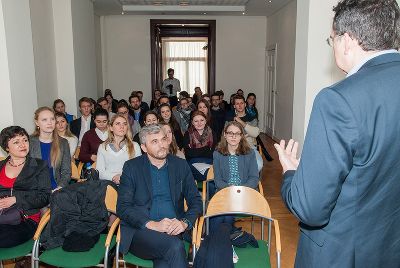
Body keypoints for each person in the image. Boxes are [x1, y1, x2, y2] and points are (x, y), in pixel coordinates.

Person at [274, 1, 400, 267]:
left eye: (331, 39)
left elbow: (310, 209)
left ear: (347, 40)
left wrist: (291, 174)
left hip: (343, 255)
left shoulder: (338, 100)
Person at [116, 124, 202, 267]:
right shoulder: (132, 167)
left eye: (163, 139)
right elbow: (123, 207)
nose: (162, 145)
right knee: (174, 246)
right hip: (141, 231)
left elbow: (196, 201)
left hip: (174, 230)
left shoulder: (180, 165)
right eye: (154, 142)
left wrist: (184, 223)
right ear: (144, 147)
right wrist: (153, 225)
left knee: (165, 261)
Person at [0, 126, 51, 248]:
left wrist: (16, 198)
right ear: (7, 147)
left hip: (27, 218)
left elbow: (45, 197)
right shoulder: (0, 166)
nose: (23, 144)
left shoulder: (39, 165)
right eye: (16, 142)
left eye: (25, 140)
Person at [210, 121, 259, 232]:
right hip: (224, 192)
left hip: (245, 193)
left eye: (237, 133)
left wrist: (239, 190)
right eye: (230, 133)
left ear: (241, 136)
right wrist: (229, 190)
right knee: (220, 214)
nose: (233, 136)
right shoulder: (217, 154)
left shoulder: (250, 153)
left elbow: (254, 178)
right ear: (225, 135)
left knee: (225, 215)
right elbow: (218, 180)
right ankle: (220, 239)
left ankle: (215, 240)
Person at [30, 107, 71, 190]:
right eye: (44, 120)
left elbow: (66, 172)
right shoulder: (29, 142)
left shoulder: (63, 143)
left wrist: (59, 188)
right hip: (35, 190)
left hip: (56, 188)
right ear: (37, 122)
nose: (49, 123)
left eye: (52, 119)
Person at [97, 115, 141, 184]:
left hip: (129, 184)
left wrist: (123, 177)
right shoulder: (102, 147)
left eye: (125, 124)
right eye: (118, 124)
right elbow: (99, 172)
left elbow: (139, 169)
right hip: (108, 185)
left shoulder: (135, 145)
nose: (122, 127)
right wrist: (113, 177)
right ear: (111, 128)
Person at [226, 95, 263, 171]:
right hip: (232, 148)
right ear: (234, 106)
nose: (240, 105)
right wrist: (247, 134)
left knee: (258, 165)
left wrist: (240, 121)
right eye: (237, 104)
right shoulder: (229, 119)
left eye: (241, 103)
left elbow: (255, 133)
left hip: (249, 147)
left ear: (245, 104)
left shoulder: (252, 118)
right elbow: (226, 135)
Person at [183, 111, 217, 182]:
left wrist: (195, 151)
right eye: (196, 121)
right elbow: (188, 154)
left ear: (205, 121)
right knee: (209, 175)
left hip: (210, 162)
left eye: (202, 120)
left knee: (212, 173)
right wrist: (206, 149)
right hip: (193, 163)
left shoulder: (212, 133)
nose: (199, 123)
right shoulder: (188, 134)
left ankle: (210, 190)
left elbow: (213, 153)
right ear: (192, 122)